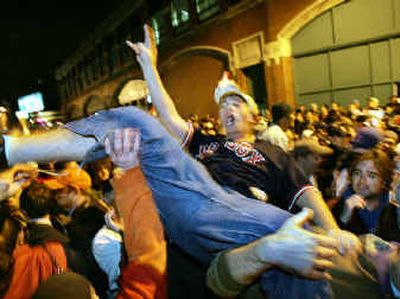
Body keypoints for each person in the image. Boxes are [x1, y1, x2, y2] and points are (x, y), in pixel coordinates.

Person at [126, 25, 342, 232]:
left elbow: (306, 192)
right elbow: (168, 114)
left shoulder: (273, 153)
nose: (228, 109)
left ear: (253, 116)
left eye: (236, 104)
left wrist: (333, 231)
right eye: (223, 106)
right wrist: (148, 66)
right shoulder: (205, 142)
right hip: (203, 219)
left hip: (249, 225)